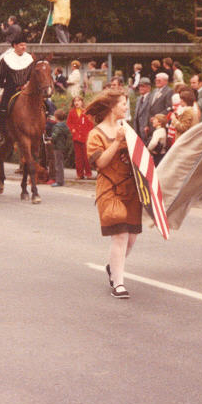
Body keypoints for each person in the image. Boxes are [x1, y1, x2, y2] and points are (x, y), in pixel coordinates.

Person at [86, 89, 141, 299]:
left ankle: (113, 266)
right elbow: (100, 162)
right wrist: (118, 142)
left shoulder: (127, 128)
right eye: (123, 103)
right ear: (112, 107)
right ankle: (118, 284)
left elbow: (139, 157)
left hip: (131, 189)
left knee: (131, 239)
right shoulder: (96, 134)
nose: (126, 107)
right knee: (120, 234)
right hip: (109, 189)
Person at [0, 35, 35, 145]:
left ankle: (44, 131)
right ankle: (0, 132)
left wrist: (28, 84)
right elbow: (0, 77)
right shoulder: (6, 59)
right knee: (3, 106)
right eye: (21, 45)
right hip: (10, 88)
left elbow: (32, 75)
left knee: (43, 104)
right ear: (15, 46)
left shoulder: (29, 59)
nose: (24, 47)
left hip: (27, 88)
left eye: (25, 45)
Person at [67, 96, 93, 179]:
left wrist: (89, 133)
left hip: (85, 137)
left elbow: (90, 124)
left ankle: (88, 173)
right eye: (75, 101)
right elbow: (69, 123)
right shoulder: (72, 112)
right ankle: (79, 174)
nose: (76, 102)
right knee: (78, 157)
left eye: (78, 101)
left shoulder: (86, 112)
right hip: (76, 137)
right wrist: (72, 129)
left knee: (86, 156)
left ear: (82, 102)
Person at [50, 109, 71, 187]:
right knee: (61, 163)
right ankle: (61, 180)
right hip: (63, 146)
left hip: (57, 147)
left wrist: (50, 139)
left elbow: (54, 136)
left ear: (56, 117)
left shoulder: (57, 126)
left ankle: (59, 181)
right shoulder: (65, 125)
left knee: (58, 164)